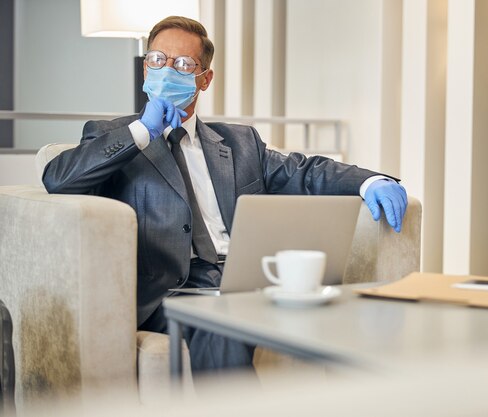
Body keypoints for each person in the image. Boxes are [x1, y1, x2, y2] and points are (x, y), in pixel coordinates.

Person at [42, 16, 407, 373]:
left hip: (247, 282)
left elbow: (305, 171)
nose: (168, 69)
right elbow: (59, 179)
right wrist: (141, 132)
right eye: (157, 60)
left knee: (357, 316)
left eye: (184, 64)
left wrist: (370, 182)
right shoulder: (113, 135)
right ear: (145, 70)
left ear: (205, 79)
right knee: (225, 324)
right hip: (174, 291)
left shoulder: (240, 142)